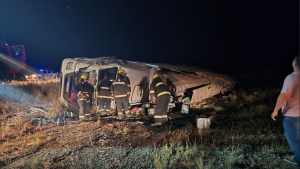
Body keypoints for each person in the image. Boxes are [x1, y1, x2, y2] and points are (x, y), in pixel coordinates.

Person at [271, 56, 299, 167]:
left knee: (295, 142)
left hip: (293, 117)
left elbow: (283, 96)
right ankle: (297, 157)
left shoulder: (292, 78)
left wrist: (275, 110)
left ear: (295, 64)